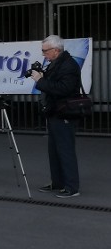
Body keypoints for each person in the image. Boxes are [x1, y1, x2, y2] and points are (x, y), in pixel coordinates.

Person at [31, 35, 82, 198]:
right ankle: (58, 182)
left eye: (45, 51)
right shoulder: (57, 63)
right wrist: (43, 76)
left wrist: (40, 80)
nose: (43, 54)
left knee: (65, 150)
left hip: (65, 112)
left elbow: (63, 89)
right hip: (55, 112)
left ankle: (72, 187)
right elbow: (54, 84)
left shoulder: (68, 65)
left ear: (56, 50)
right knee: (54, 151)